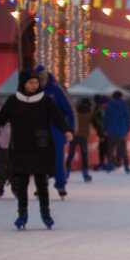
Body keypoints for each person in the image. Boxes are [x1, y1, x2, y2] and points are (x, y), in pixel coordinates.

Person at [0, 68, 73, 229]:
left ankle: (45, 213)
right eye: (31, 83)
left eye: (36, 82)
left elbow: (57, 117)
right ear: (23, 83)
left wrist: (67, 130)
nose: (35, 85)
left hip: (41, 146)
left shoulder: (46, 101)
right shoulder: (14, 101)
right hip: (21, 147)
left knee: (41, 182)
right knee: (21, 182)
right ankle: (22, 213)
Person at [34, 66, 76, 197]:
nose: (41, 82)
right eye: (39, 80)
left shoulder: (57, 89)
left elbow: (69, 110)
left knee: (58, 159)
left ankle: (60, 184)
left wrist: (70, 129)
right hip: (40, 131)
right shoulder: (33, 90)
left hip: (57, 131)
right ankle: (41, 184)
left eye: (43, 79)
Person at [103, 90, 130, 173]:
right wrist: (127, 128)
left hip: (110, 130)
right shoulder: (123, 105)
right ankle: (126, 166)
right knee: (123, 149)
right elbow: (127, 117)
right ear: (120, 97)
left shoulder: (109, 106)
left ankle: (110, 164)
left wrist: (105, 128)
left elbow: (105, 118)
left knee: (110, 149)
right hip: (121, 130)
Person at [65, 98, 93, 183]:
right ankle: (85, 174)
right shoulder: (90, 113)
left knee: (71, 154)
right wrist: (101, 133)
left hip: (74, 135)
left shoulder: (75, 112)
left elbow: (69, 121)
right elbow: (96, 123)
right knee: (84, 156)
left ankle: (66, 173)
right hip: (83, 136)